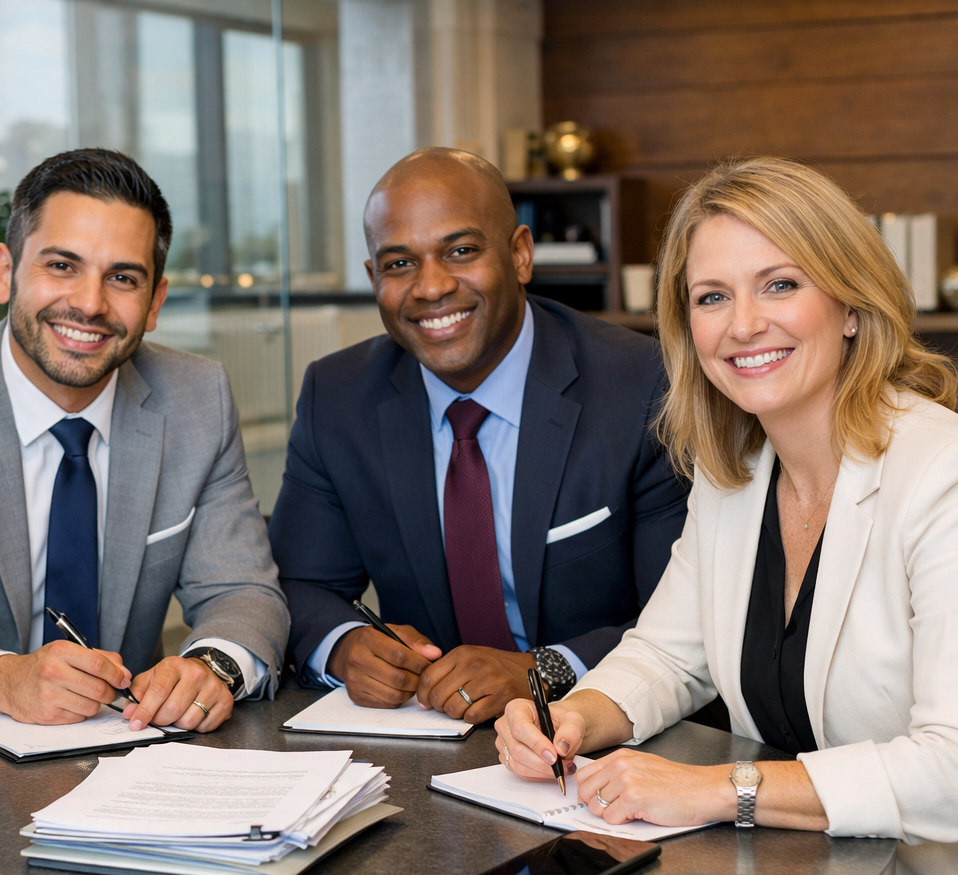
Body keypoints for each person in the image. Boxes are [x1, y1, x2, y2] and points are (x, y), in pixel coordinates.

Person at [495, 157, 958, 875]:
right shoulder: (735, 473)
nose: (743, 325)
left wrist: (714, 790)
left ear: (851, 303)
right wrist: (572, 718)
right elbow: (669, 653)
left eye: (779, 284)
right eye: (711, 297)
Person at [0, 148, 287, 734]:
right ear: (4, 272)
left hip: (130, 749)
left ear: (156, 302)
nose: (90, 304)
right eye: (62, 266)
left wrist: (211, 666)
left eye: (122, 278)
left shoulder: (198, 398)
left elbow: (243, 590)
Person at [267, 148, 688, 723]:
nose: (431, 287)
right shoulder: (338, 397)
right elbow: (299, 583)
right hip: (427, 734)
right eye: (398, 264)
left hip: (611, 731)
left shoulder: (641, 385)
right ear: (373, 279)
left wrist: (541, 669)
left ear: (519, 254)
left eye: (461, 251)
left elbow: (685, 618)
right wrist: (344, 645)